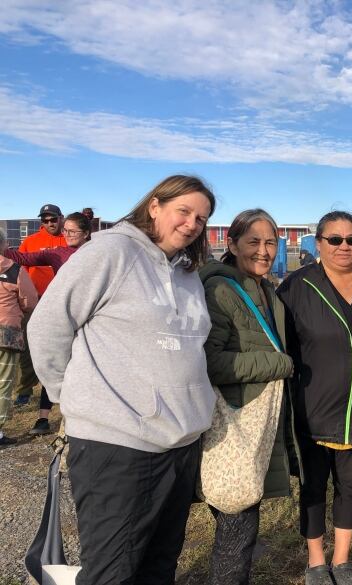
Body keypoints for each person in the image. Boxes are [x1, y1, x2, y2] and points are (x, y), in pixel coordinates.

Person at [27, 175, 217, 584]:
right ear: (155, 206)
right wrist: (73, 397)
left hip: (180, 444)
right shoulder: (112, 252)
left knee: (159, 566)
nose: (191, 224)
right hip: (118, 444)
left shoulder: (188, 273)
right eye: (183, 211)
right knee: (112, 572)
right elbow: (47, 327)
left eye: (201, 218)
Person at [277, 211, 352, 585]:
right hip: (313, 409)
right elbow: (282, 347)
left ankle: (341, 561)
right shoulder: (297, 287)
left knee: (350, 486)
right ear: (319, 243)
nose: (345, 247)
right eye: (335, 239)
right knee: (313, 487)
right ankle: (316, 563)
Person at [199, 209, 300, 585]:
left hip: (256, 416)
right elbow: (209, 362)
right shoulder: (221, 290)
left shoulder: (263, 286)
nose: (263, 250)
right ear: (233, 243)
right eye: (253, 241)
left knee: (238, 511)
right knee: (238, 519)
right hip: (235, 419)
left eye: (270, 242)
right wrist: (277, 364)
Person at [4, 212, 92, 434]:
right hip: (67, 316)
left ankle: (84, 417)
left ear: (87, 234)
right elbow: (25, 259)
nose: (67, 235)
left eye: (73, 231)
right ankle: (43, 419)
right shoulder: (57, 254)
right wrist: (3, 250)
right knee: (56, 360)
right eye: (66, 231)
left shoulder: (98, 254)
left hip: (93, 318)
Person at [12, 203, 66, 408]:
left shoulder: (68, 238)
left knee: (59, 345)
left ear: (61, 218)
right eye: (45, 220)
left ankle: (59, 389)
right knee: (27, 345)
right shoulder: (31, 241)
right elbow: (19, 269)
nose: (50, 223)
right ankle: (25, 389)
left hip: (61, 301)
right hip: (35, 301)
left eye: (53, 219)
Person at [0, 228, 38, 445]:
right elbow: (30, 301)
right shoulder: (14, 270)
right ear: (4, 245)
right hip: (7, 333)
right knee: (3, 382)